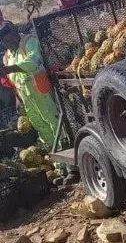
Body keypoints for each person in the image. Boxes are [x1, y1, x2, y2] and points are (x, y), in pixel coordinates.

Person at [0, 21, 79, 185]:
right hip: (28, 100)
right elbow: (14, 82)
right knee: (44, 133)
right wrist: (18, 100)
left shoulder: (29, 41)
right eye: (6, 42)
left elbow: (34, 61)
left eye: (12, 39)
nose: (11, 44)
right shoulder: (7, 56)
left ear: (15, 33)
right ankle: (60, 168)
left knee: (57, 125)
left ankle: (73, 167)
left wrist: (9, 69)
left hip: (41, 93)